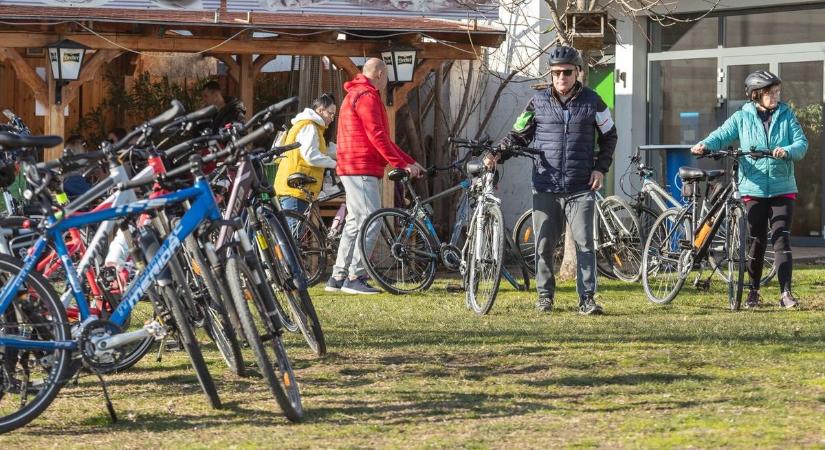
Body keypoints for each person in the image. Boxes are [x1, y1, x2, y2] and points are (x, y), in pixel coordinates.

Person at [488, 45, 617, 315]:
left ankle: (587, 299)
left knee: (585, 244)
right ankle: (545, 296)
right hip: (546, 185)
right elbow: (518, 135)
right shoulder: (537, 102)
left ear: (578, 72)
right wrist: (496, 154)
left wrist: (600, 168)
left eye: (567, 72)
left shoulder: (595, 101)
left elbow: (610, 136)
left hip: (581, 185)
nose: (561, 78)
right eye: (556, 73)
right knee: (544, 245)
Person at [691, 70, 806, 309]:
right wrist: (705, 145)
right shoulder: (742, 116)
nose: (775, 97)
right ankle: (753, 291)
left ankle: (786, 293)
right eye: (770, 93)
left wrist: (787, 151)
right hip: (752, 187)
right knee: (756, 241)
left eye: (777, 92)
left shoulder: (786, 115)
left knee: (781, 239)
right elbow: (722, 134)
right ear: (756, 95)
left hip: (782, 186)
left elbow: (801, 144)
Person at [326, 57, 425, 295]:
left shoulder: (354, 95)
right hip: (361, 166)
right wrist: (401, 164)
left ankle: (338, 277)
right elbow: (378, 136)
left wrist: (409, 162)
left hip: (350, 166)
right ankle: (355, 276)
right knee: (372, 219)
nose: (387, 80)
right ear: (379, 74)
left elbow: (383, 139)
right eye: (387, 75)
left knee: (354, 222)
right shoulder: (367, 97)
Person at [274, 93, 338, 228]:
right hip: (295, 188)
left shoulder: (313, 127)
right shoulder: (309, 126)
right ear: (320, 110)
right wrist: (336, 165)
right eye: (330, 113)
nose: (332, 118)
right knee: (293, 236)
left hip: (296, 188)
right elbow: (311, 155)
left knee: (293, 235)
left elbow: (325, 150)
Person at [61, 135, 93, 200]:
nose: (87, 151)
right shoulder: (74, 179)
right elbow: (94, 198)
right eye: (84, 147)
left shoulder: (68, 178)